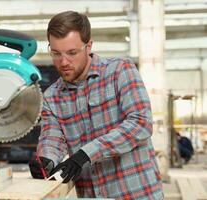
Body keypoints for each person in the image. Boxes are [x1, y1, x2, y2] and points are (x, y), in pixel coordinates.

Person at [29, 11, 163, 199]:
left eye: (72, 53)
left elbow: (141, 123)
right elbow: (52, 139)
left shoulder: (120, 70)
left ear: (89, 46)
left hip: (136, 193)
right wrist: (46, 160)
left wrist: (86, 154)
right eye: (56, 53)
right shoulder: (52, 97)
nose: (63, 62)